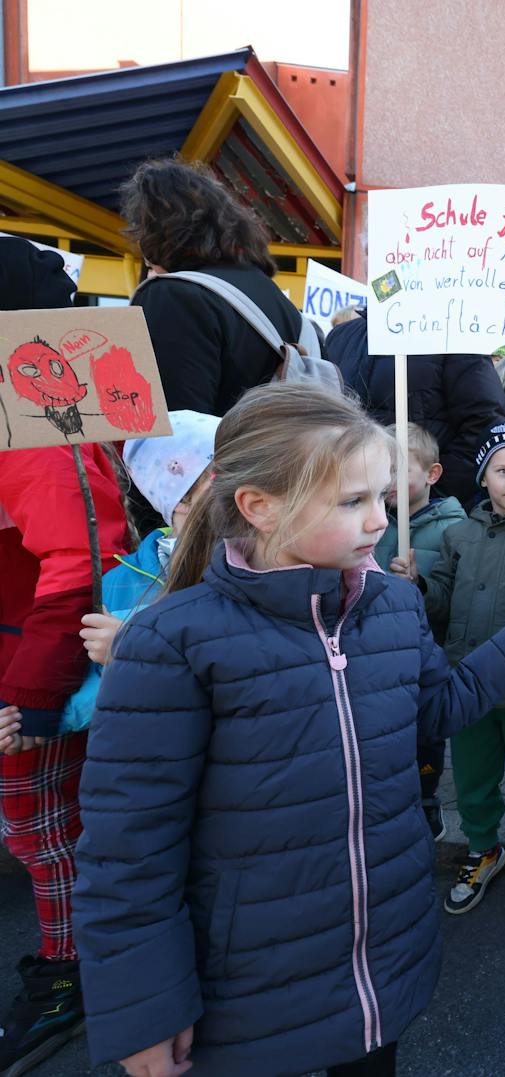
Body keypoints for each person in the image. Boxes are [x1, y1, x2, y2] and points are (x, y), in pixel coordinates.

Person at [71, 383, 505, 1077]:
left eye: (382, 497)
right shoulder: (174, 641)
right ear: (259, 506)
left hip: (378, 967)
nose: (380, 520)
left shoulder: (390, 606)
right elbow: (127, 848)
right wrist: (146, 1005)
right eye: (352, 501)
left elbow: (437, 709)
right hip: (246, 990)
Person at [0, 237, 130, 1077]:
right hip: (27, 654)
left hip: (32, 667)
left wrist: (37, 692)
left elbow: (83, 553)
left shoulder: (36, 398)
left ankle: (72, 970)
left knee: (43, 831)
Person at [393, 423, 505, 917]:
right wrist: (420, 584)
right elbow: (441, 605)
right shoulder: (457, 535)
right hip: (464, 684)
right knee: (472, 776)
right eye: (503, 471)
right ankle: (483, 846)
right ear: (483, 478)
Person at [68, 410, 220, 726]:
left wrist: (132, 649)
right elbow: (96, 694)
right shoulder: (121, 583)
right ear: (179, 498)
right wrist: (33, 723)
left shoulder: (258, 563)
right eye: (224, 474)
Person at [120, 158, 305, 417]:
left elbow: (173, 430)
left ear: (153, 232)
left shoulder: (175, 296)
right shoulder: (275, 299)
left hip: (220, 457)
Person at [375, 423, 468, 841]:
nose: (387, 481)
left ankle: (428, 800)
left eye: (398, 470)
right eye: (381, 469)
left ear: (432, 474)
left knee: (426, 733)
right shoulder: (374, 521)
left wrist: (420, 583)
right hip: (378, 650)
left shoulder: (454, 527)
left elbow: (453, 599)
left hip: (425, 650)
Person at [325, 310, 505, 508]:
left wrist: (427, 494)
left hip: (421, 512)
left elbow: (483, 423)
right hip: (351, 503)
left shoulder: (454, 335)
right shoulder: (341, 336)